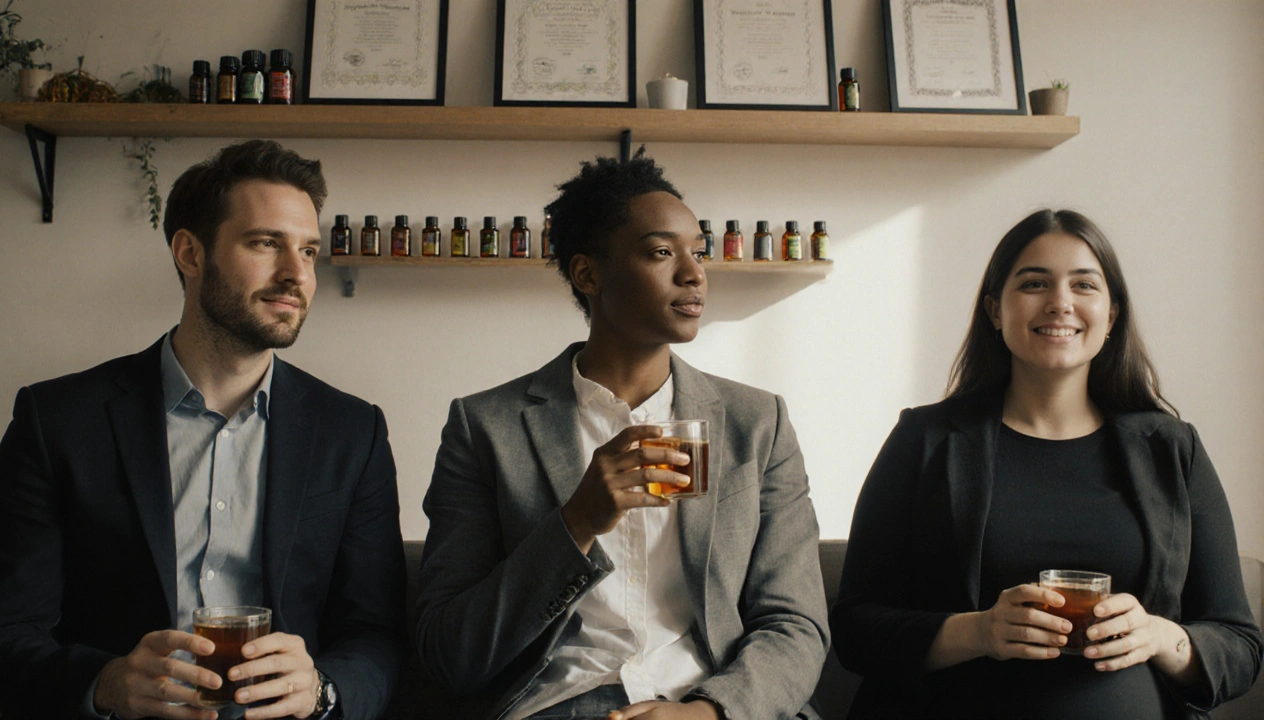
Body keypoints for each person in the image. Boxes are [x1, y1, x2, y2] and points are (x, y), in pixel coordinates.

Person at [0, 140, 406, 720]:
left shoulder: (353, 432)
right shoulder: (56, 420)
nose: (296, 275)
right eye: (266, 243)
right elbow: (3, 631)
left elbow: (376, 634)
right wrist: (105, 683)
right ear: (190, 253)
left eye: (308, 251)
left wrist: (321, 691)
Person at [415, 151, 828, 720]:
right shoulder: (485, 426)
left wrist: (710, 712)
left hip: (718, 703)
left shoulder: (757, 423)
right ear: (589, 274)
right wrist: (576, 522)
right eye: (662, 252)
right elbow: (449, 652)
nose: (694, 273)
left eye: (699, 252)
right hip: (560, 702)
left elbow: (796, 623)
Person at [830, 209, 1262, 718]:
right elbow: (855, 630)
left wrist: (1160, 638)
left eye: (1084, 285)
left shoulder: (1173, 448)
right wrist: (977, 631)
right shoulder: (923, 441)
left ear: (1112, 314)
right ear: (994, 309)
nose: (1060, 303)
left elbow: (1239, 646)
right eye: (1034, 283)